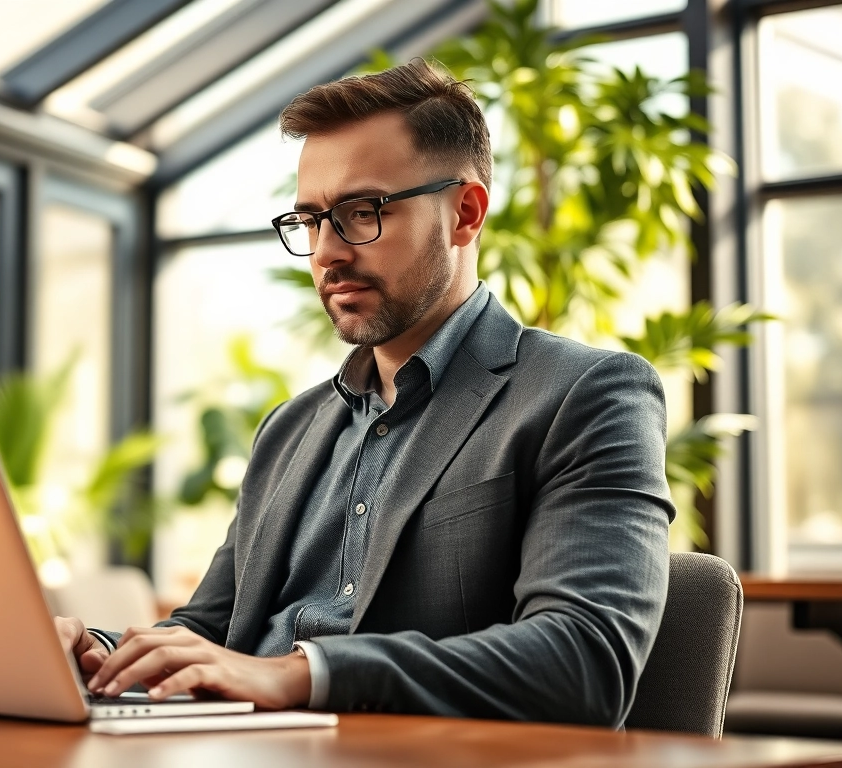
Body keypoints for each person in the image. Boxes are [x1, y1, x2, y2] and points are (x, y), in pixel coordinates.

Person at [54, 59, 673, 726]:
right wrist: (99, 654)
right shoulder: (289, 429)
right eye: (311, 220)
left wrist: (304, 676)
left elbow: (585, 661)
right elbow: (210, 633)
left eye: (360, 212)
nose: (327, 251)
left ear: (465, 213)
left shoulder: (585, 395)